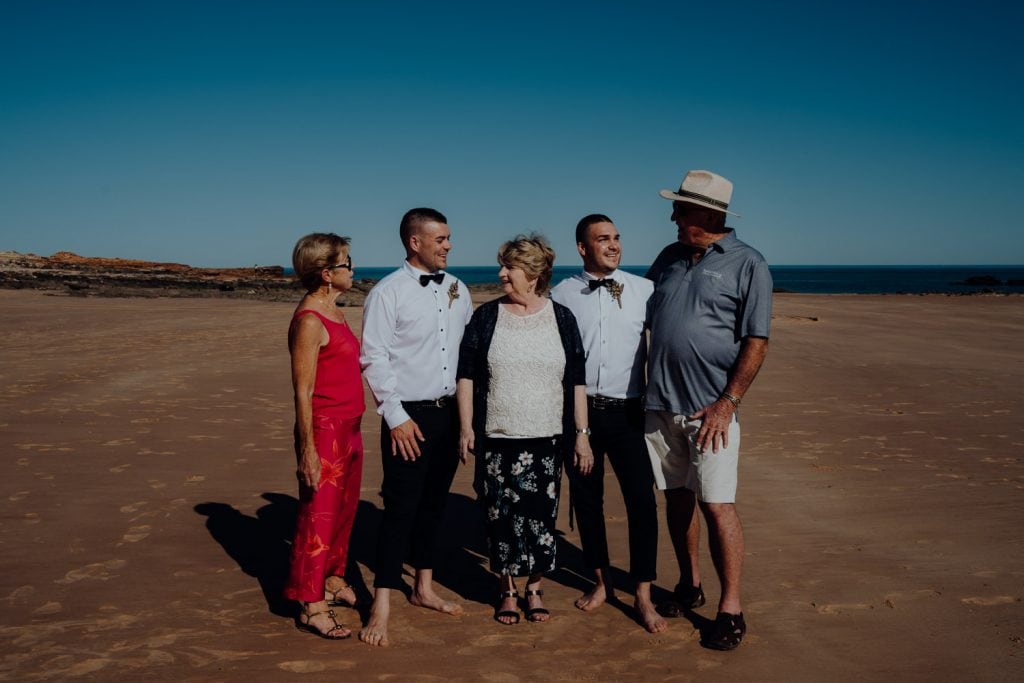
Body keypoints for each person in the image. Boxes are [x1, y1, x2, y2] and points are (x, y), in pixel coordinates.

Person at [644, 170, 772, 651]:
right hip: (659, 405)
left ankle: (731, 608)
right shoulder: (668, 258)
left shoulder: (749, 264)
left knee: (717, 505)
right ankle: (689, 584)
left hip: (710, 414)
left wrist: (728, 403)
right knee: (676, 499)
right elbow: (641, 317)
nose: (672, 216)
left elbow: (757, 341)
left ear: (709, 214)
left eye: (680, 209)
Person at [456, 234, 593, 625]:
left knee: (541, 519)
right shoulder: (486, 317)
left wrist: (582, 436)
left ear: (532, 275)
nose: (501, 274)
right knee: (499, 519)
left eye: (509, 267)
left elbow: (577, 382)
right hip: (498, 437)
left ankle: (533, 587)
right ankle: (507, 589)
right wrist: (466, 427)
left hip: (548, 437)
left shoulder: (562, 318)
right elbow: (465, 376)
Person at [358, 208, 473, 646]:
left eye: (448, 238)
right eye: (441, 239)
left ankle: (423, 587)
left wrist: (466, 421)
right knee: (400, 509)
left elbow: (467, 360)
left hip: (449, 414)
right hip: (408, 418)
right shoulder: (388, 293)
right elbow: (374, 357)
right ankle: (381, 604)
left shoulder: (459, 290)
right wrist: (396, 417)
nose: (448, 245)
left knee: (434, 505)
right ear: (415, 242)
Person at [550, 215, 665, 633]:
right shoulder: (561, 294)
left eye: (617, 238)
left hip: (631, 412)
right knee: (586, 500)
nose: (614, 245)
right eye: (603, 239)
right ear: (583, 248)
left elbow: (668, 347)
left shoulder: (645, 291)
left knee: (642, 503)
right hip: (579, 414)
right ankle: (601, 582)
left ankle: (644, 596)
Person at [283, 232, 365, 640]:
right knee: (318, 516)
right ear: (327, 273)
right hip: (326, 430)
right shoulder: (310, 321)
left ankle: (333, 579)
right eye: (348, 263)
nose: (354, 269)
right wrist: (308, 450)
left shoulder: (335, 311)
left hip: (351, 426)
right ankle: (310, 603)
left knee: (345, 512)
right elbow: (302, 391)